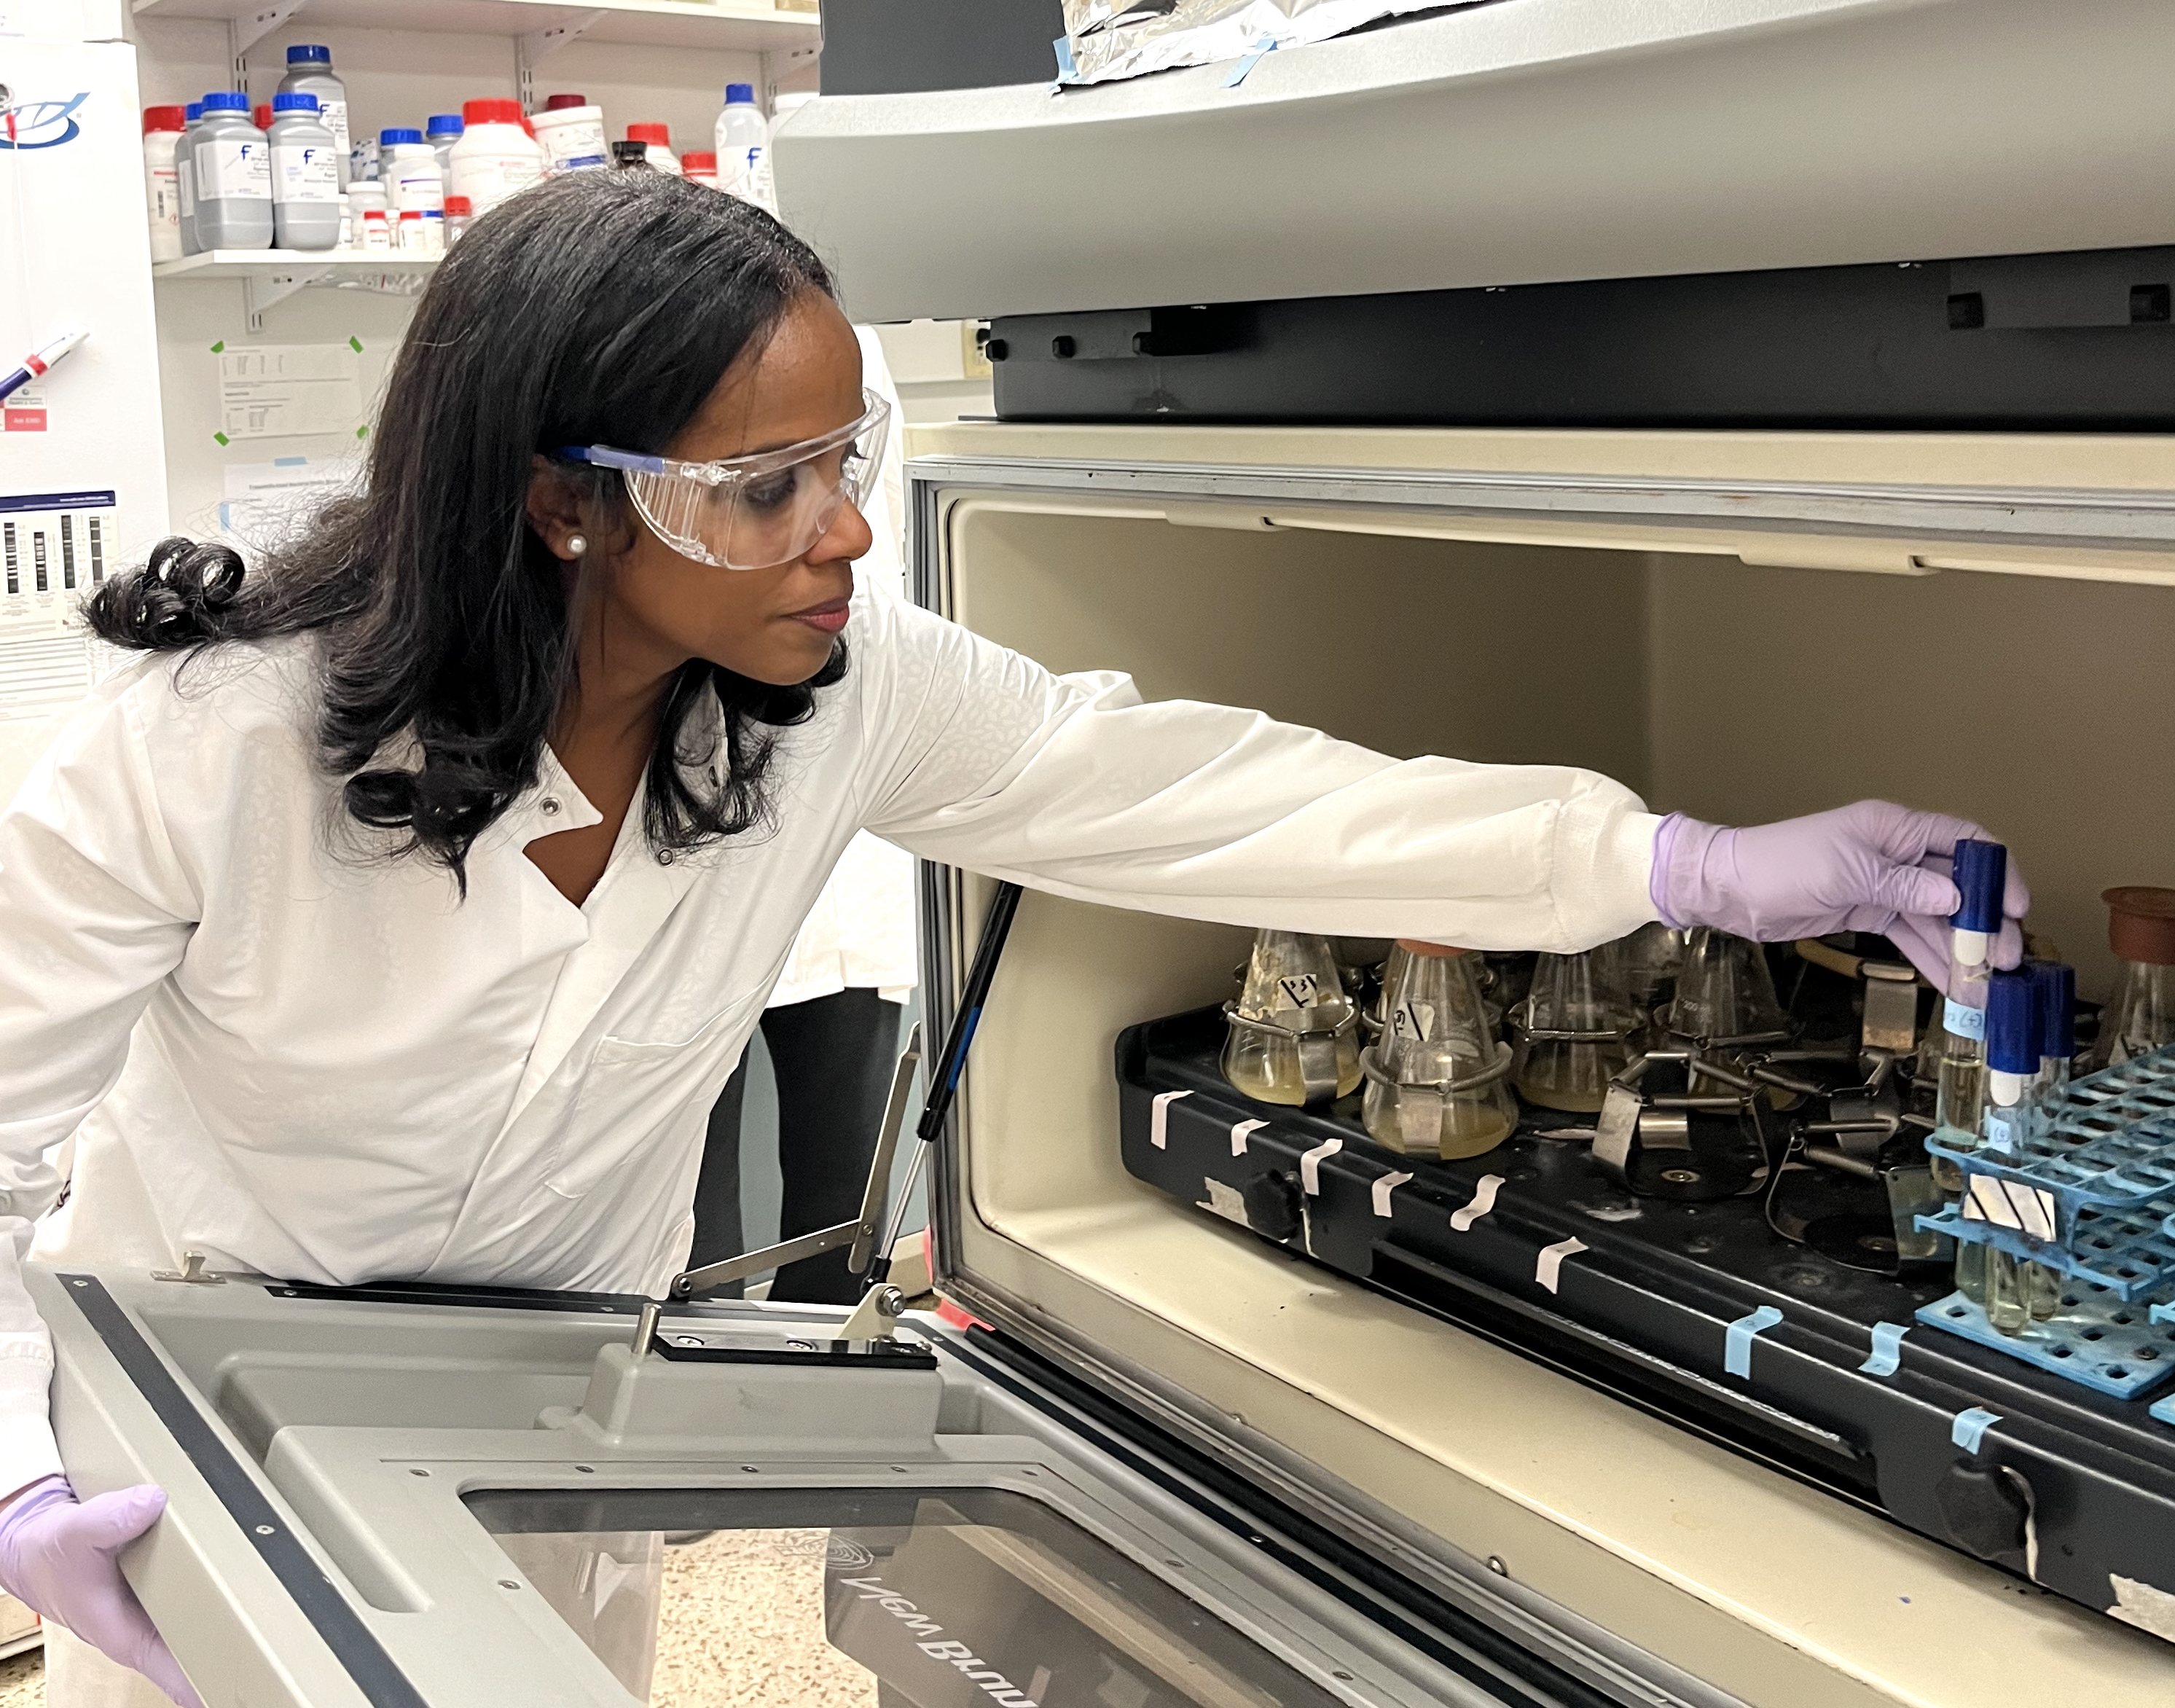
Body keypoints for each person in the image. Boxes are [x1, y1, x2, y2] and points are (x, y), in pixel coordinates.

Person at [0, 171, 2026, 1707]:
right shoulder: (218, 744)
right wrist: (13, 1490)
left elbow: (1219, 794)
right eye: (767, 488)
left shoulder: (837, 687)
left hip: (540, 1434)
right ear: (563, 506)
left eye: (849, 464)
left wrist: (1675, 863)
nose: (847, 536)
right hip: (208, 1443)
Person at [687, 327, 918, 1306]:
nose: (840, 523)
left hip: (837, 842)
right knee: (683, 1217)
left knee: (842, 1199)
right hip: (690, 834)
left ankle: (829, 1377)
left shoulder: (844, 347)